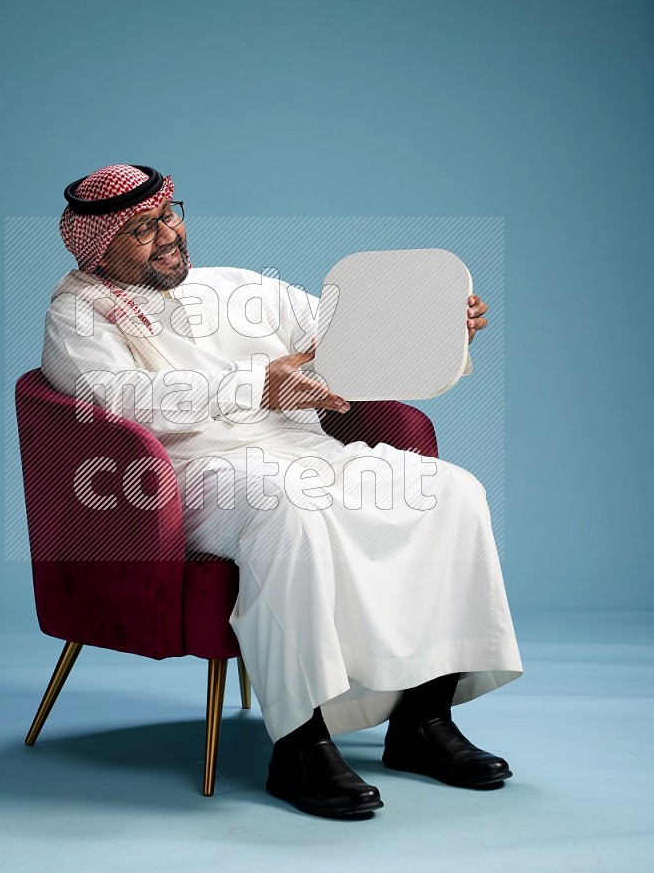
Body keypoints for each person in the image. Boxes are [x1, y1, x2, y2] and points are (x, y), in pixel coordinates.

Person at [41, 163, 523, 819]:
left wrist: (440, 328)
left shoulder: (234, 287)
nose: (169, 233)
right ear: (99, 247)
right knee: (287, 509)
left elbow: (341, 335)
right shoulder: (78, 314)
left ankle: (422, 720)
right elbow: (119, 400)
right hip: (187, 475)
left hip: (302, 448)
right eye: (143, 229)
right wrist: (252, 386)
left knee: (449, 492)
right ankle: (299, 744)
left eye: (170, 214)